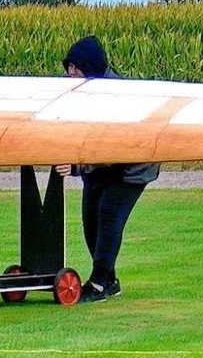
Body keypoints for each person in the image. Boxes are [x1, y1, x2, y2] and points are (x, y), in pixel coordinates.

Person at [53, 35, 160, 303]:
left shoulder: (116, 96)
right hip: (99, 168)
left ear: (88, 68)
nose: (70, 75)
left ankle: (99, 283)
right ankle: (109, 280)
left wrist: (77, 165)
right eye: (69, 69)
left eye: (75, 69)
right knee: (91, 219)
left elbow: (113, 147)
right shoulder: (80, 94)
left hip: (131, 167)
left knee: (109, 215)